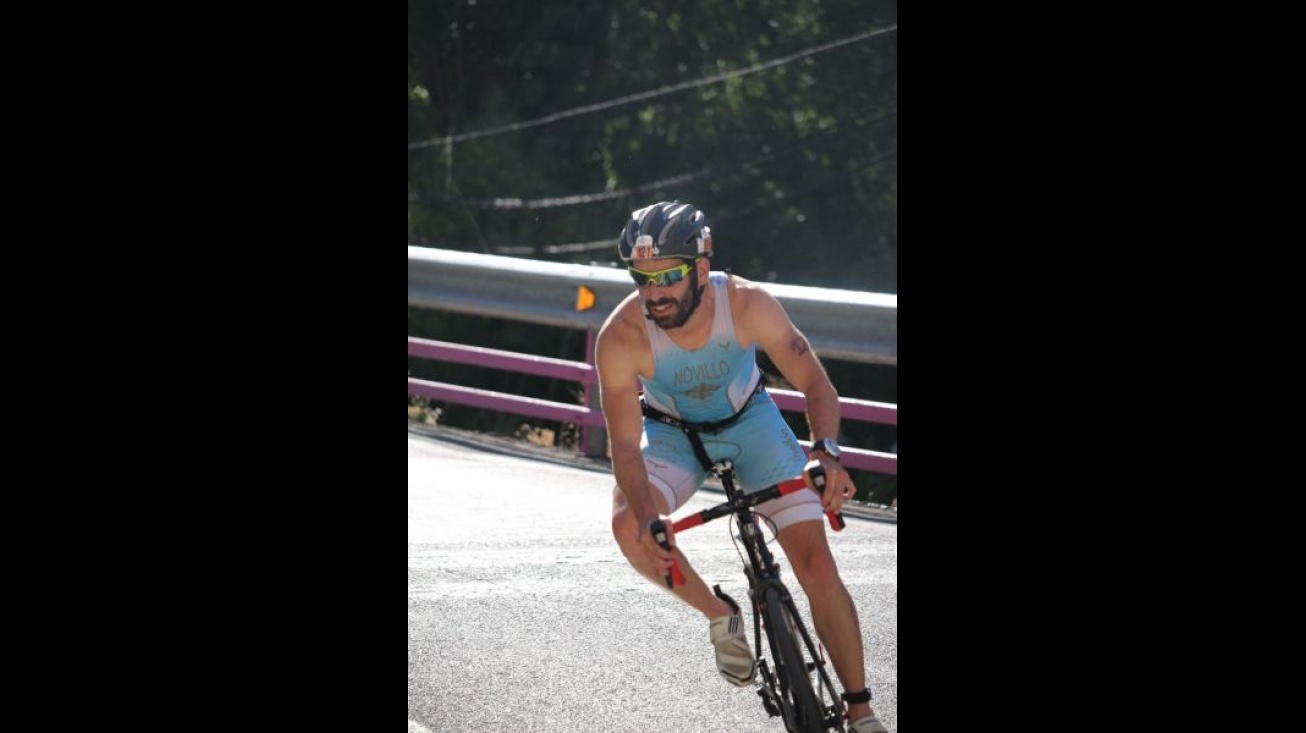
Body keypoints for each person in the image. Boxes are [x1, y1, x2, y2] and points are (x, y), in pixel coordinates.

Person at [595, 200, 889, 733]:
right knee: (627, 526)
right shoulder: (620, 337)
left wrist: (824, 452)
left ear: (701, 270)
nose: (654, 294)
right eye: (642, 279)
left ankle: (861, 710)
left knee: (817, 565)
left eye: (669, 277)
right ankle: (718, 614)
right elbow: (623, 446)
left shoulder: (749, 303)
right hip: (672, 435)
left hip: (752, 424)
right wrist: (647, 517)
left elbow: (817, 385)